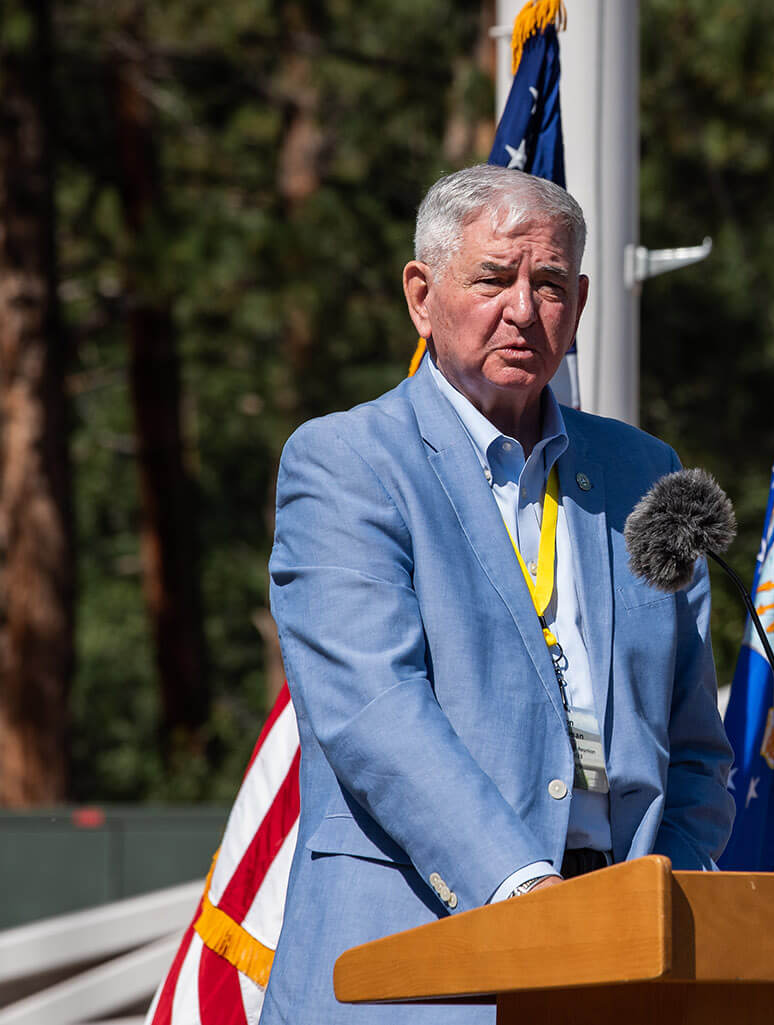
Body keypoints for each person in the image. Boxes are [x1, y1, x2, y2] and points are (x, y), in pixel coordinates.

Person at [259, 165, 734, 1024]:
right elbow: (375, 712)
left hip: (627, 968)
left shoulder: (643, 475)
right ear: (421, 294)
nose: (524, 307)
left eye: (549, 283)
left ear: (580, 303)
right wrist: (527, 895)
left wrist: (678, 894)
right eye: (493, 277)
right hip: (415, 963)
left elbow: (695, 747)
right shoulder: (348, 463)